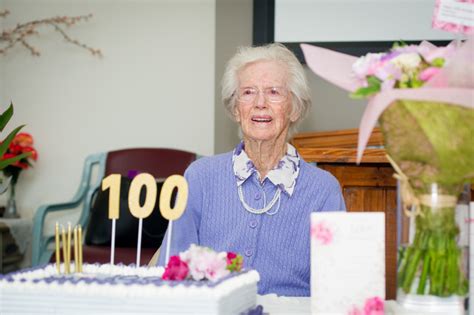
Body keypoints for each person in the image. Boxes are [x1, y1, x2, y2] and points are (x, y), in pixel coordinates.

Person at [157, 43, 345, 296]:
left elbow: (336, 286)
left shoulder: (323, 189)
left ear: (295, 108)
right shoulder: (199, 177)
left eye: (274, 92)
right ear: (236, 108)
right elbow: (172, 270)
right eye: (248, 92)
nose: (260, 103)